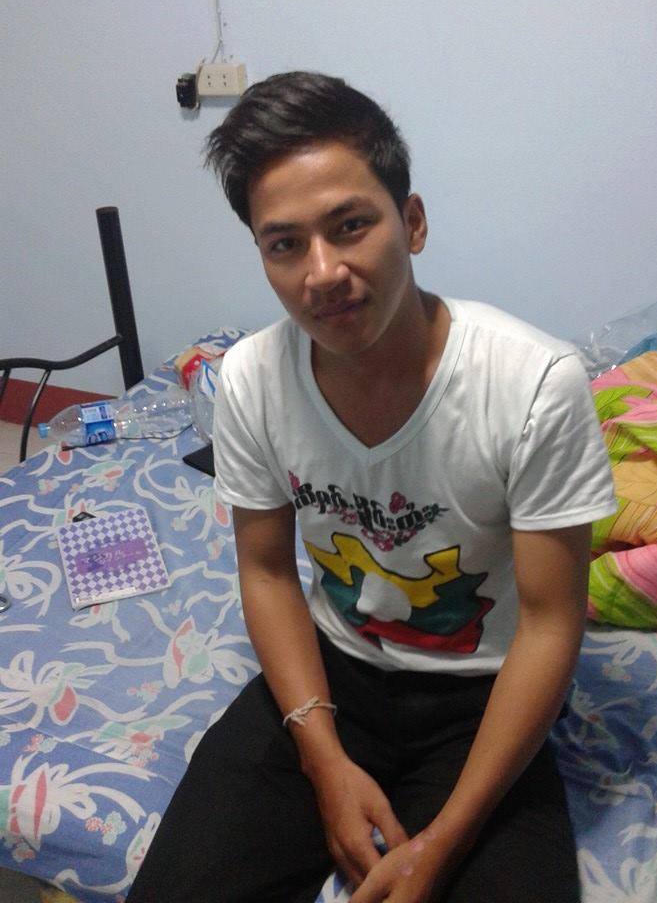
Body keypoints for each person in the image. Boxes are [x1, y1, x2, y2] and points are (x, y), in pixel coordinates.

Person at [127, 71, 616, 903]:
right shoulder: (251, 379)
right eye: (285, 245)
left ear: (412, 222)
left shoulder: (534, 384)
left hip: (485, 699)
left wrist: (438, 846)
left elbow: (549, 623)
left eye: (350, 226)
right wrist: (323, 763)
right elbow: (268, 572)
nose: (323, 273)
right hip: (332, 681)